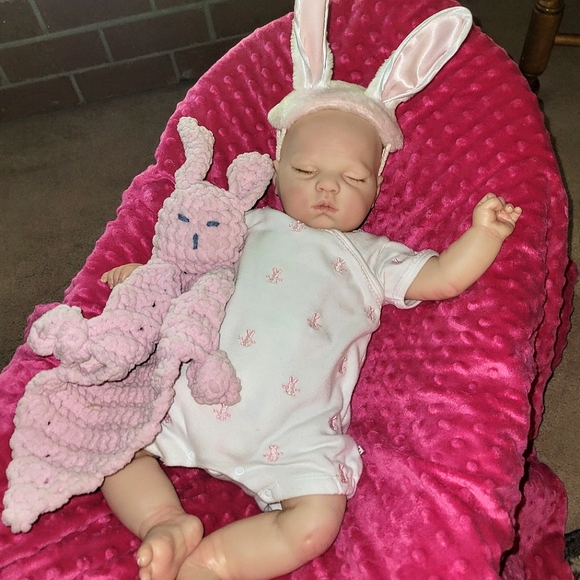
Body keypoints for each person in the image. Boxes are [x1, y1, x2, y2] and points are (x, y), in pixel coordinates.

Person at [100, 107, 522, 580]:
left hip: (292, 431)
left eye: (353, 178)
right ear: (277, 169)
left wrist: (485, 234)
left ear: (377, 188)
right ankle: (163, 521)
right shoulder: (246, 224)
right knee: (112, 447)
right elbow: (192, 265)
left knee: (316, 522)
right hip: (193, 394)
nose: (327, 186)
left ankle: (216, 563)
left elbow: (443, 277)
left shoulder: (373, 257)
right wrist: (147, 279)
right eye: (305, 171)